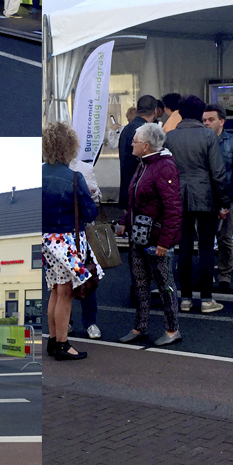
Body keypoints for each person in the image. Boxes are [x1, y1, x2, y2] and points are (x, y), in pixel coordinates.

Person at [115, 123, 183, 345]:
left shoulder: (164, 167)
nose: (131, 144)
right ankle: (139, 327)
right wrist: (125, 221)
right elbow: (137, 201)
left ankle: (172, 330)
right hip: (139, 235)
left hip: (155, 238)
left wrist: (165, 241)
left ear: (146, 146)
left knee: (165, 285)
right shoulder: (144, 164)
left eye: (134, 141)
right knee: (140, 283)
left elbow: (173, 208)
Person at [163, 96, 230, 313]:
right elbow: (218, 172)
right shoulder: (208, 135)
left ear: (180, 113)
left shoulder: (170, 137)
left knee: (183, 248)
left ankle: (185, 298)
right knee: (206, 247)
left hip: (178, 197)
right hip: (205, 195)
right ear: (200, 113)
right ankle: (207, 299)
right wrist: (224, 201)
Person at [42, 122, 102, 361]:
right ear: (70, 147)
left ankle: (53, 340)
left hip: (46, 239)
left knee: (55, 290)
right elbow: (90, 213)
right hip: (66, 240)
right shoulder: (74, 178)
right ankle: (62, 344)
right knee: (65, 291)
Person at [203, 103, 233, 293]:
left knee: (224, 239)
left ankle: (224, 277)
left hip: (224, 195)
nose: (206, 123)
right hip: (203, 197)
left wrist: (229, 196)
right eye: (204, 120)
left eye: (211, 120)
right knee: (205, 239)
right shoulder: (201, 141)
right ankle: (205, 275)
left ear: (221, 121)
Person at [68, 157, 102, 339]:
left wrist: (92, 192)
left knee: (86, 277)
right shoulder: (45, 170)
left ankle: (90, 322)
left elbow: (97, 199)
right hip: (60, 237)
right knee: (62, 283)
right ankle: (66, 322)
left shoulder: (84, 169)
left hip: (82, 234)